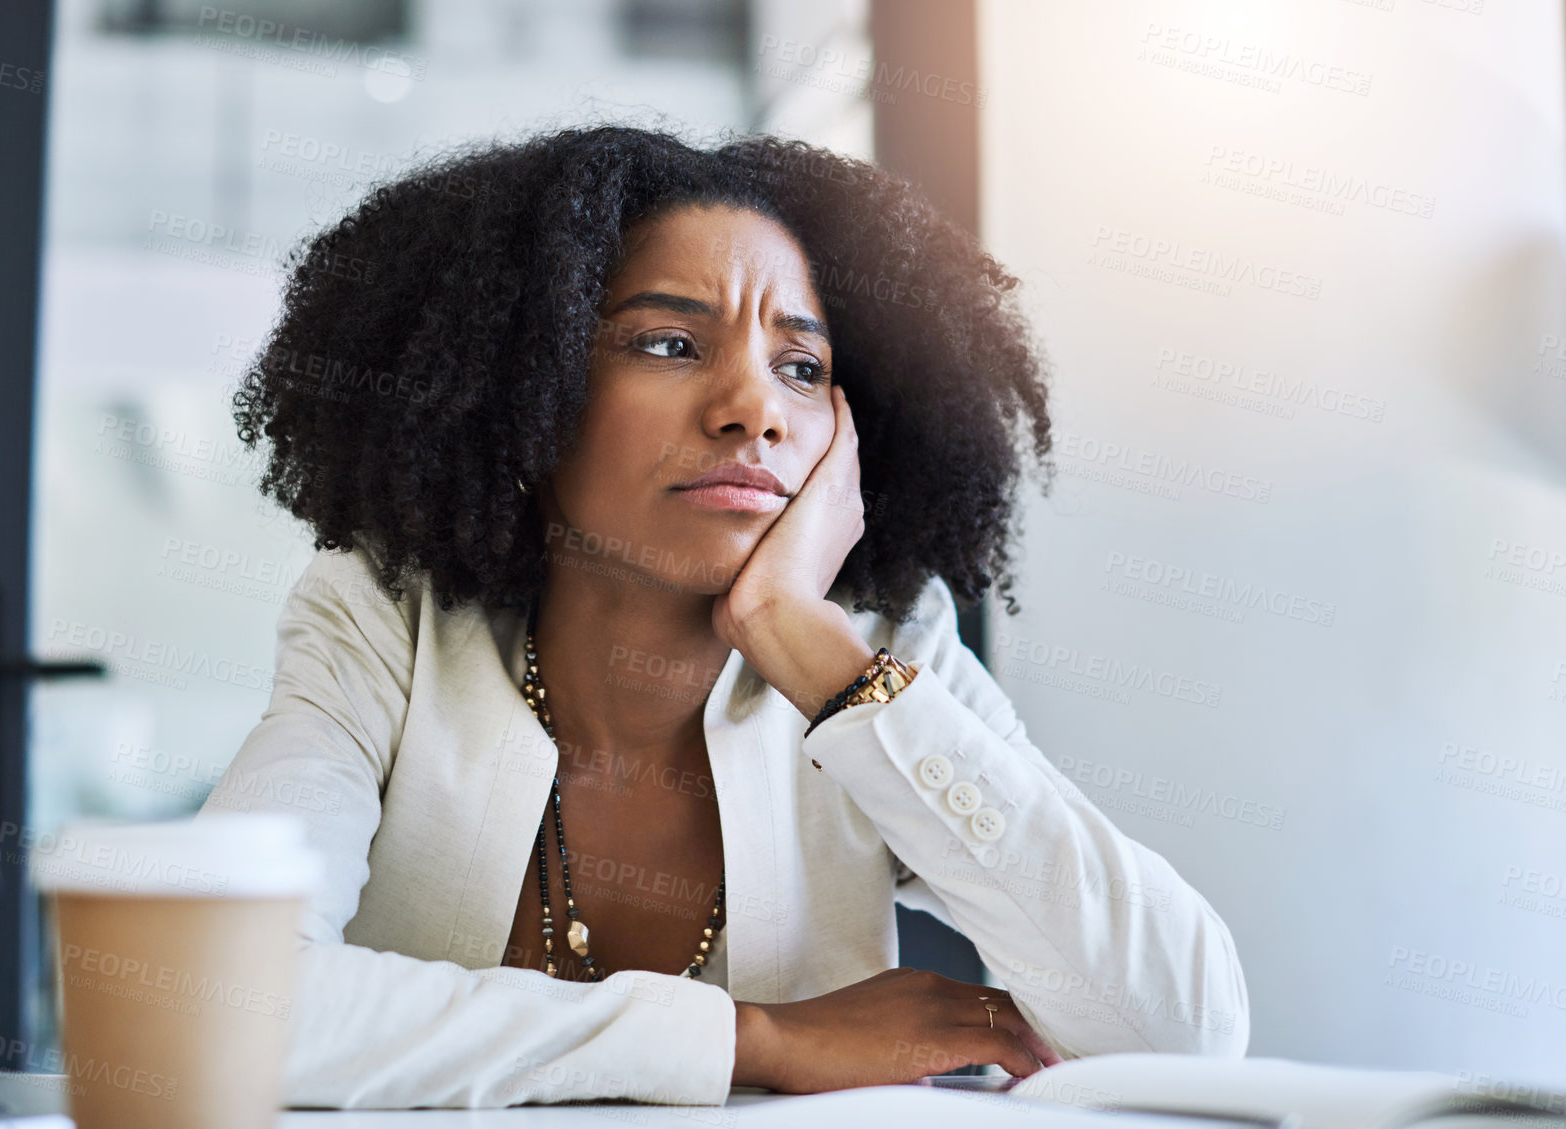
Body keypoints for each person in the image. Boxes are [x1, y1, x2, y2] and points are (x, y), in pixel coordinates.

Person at [202, 125, 1250, 1109]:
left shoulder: (880, 647)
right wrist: (754, 1039)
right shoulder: (385, 621)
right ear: (522, 385)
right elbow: (215, 1003)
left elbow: (1182, 1029)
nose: (754, 407)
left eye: (803, 366)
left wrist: (819, 658)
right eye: (667, 344)